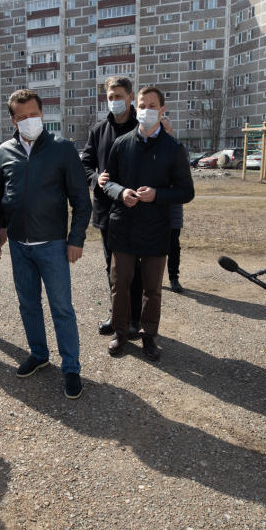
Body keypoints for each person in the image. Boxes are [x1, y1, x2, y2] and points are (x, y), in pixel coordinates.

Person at [0, 89, 92, 399]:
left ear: (42, 114)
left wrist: (76, 239)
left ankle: (71, 368)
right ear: (13, 120)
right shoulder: (4, 151)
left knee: (61, 308)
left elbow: (81, 200)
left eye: (33, 114)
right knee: (28, 304)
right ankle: (39, 354)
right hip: (20, 246)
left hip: (53, 245)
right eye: (22, 117)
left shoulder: (62, 148)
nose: (29, 120)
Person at [101, 86, 195, 361]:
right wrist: (121, 192)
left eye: (152, 106)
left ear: (162, 110)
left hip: (156, 228)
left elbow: (186, 191)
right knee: (120, 283)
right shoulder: (122, 144)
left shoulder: (173, 148)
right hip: (124, 226)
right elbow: (108, 182)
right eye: (142, 105)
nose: (146, 110)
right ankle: (121, 333)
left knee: (152, 288)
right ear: (136, 107)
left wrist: (157, 195)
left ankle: (149, 336)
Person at [80, 76, 141, 339]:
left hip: (137, 209)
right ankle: (116, 315)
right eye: (110, 97)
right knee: (112, 267)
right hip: (107, 210)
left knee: (136, 268)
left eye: (119, 96)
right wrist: (96, 179)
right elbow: (85, 164)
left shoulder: (142, 126)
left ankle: (135, 318)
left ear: (130, 97)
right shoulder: (98, 130)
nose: (114, 101)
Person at [167, 203, 185, 293]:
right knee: (150, 248)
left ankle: (174, 278)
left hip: (173, 216)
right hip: (151, 216)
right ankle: (149, 278)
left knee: (173, 248)